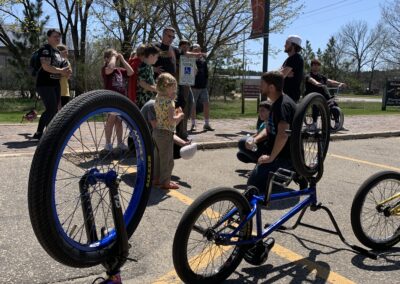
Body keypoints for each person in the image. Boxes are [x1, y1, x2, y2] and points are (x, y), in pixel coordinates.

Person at [247, 71, 297, 192]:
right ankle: (264, 168)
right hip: (273, 149)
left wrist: (271, 158)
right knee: (244, 143)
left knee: (254, 185)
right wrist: (255, 139)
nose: (260, 87)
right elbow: (268, 129)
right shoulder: (275, 103)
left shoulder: (282, 105)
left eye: (262, 84)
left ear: (271, 87)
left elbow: (283, 134)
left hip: (284, 157)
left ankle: (290, 174)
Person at [32, 29, 71, 140]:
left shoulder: (58, 53)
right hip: (44, 84)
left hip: (55, 84)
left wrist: (67, 72)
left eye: (59, 37)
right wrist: (61, 71)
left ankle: (49, 134)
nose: (57, 39)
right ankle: (39, 133)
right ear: (48, 37)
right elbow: (46, 67)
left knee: (54, 110)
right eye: (55, 36)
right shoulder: (45, 50)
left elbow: (64, 67)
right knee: (51, 109)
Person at [152, 73, 184, 190]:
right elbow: (171, 121)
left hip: (156, 132)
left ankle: (156, 179)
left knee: (158, 158)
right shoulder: (170, 103)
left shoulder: (157, 98)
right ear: (167, 87)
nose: (175, 90)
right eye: (173, 87)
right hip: (166, 134)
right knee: (167, 160)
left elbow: (165, 117)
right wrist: (180, 115)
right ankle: (166, 182)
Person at [102, 48, 134, 151]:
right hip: (111, 98)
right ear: (107, 59)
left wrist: (123, 60)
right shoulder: (106, 68)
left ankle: (120, 142)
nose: (115, 58)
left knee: (119, 121)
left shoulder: (119, 70)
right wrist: (113, 57)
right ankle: (108, 143)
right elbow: (110, 68)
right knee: (110, 120)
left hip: (120, 99)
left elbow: (131, 72)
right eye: (112, 57)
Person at [190, 43, 214, 132]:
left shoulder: (203, 61)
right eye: (195, 49)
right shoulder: (189, 60)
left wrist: (205, 83)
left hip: (203, 87)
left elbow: (206, 74)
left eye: (199, 49)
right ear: (191, 51)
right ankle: (193, 124)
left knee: (206, 104)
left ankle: (207, 124)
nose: (198, 51)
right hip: (193, 87)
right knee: (193, 105)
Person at [280, 35, 304, 103]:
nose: (284, 45)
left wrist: (284, 73)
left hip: (290, 96)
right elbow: (281, 73)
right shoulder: (288, 59)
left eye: (287, 43)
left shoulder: (296, 58)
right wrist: (285, 73)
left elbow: (281, 74)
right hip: (285, 96)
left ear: (293, 46)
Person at [137, 44, 159, 108]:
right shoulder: (143, 67)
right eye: (157, 57)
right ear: (151, 56)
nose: (157, 59)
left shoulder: (150, 67)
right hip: (143, 100)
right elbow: (142, 83)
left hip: (149, 99)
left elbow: (150, 81)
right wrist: (155, 89)